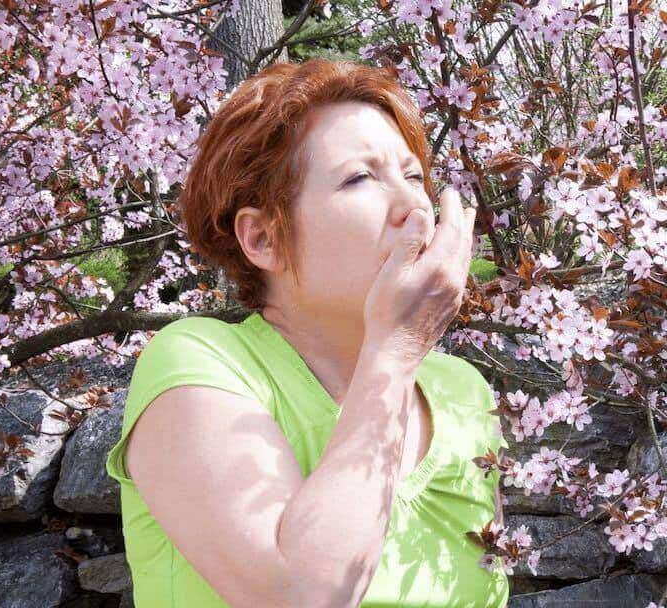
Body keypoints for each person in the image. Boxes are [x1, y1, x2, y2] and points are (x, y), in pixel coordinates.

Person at [104, 59, 510, 607]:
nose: (413, 205)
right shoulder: (199, 361)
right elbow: (301, 595)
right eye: (360, 178)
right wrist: (396, 349)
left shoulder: (462, 390)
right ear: (264, 238)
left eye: (414, 176)